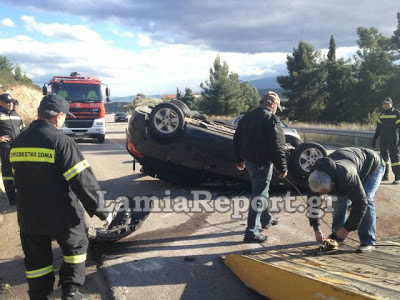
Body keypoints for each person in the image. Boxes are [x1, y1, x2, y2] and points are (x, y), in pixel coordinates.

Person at [10, 94, 113, 300]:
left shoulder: (17, 141)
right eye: (65, 116)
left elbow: (12, 177)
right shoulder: (62, 142)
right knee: (76, 248)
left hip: (29, 215)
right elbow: (83, 181)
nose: (65, 119)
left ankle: (39, 295)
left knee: (36, 260)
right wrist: (102, 211)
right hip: (61, 214)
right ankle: (71, 292)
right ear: (57, 117)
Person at [233, 91, 287, 243]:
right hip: (262, 164)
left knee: (262, 190)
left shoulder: (247, 117)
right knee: (259, 194)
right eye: (277, 106)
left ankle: (266, 218)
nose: (277, 109)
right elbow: (278, 146)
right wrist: (283, 167)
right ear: (272, 104)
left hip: (249, 162)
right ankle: (251, 232)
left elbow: (237, 139)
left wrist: (239, 160)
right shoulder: (271, 118)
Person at [308, 147, 385, 253]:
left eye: (325, 191)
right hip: (351, 162)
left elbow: (360, 204)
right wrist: (316, 229)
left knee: (366, 198)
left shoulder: (348, 177)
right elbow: (313, 204)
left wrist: (347, 228)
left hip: (373, 165)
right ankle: (337, 236)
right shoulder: (315, 177)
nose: (324, 195)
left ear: (332, 184)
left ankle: (367, 241)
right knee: (339, 200)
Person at [0, 93, 25, 205]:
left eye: (11, 102)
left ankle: (22, 195)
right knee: (7, 173)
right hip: (5, 148)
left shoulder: (16, 115)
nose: (10, 104)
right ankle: (12, 199)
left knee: (20, 171)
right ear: (1, 103)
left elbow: (23, 129)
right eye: (7, 102)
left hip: (18, 148)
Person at [372, 97, 400, 184]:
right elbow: (378, 128)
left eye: (387, 104)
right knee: (384, 158)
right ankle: (385, 175)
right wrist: (374, 139)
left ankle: (397, 177)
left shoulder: (397, 113)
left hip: (393, 139)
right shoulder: (381, 114)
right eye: (384, 104)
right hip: (383, 139)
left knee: (395, 158)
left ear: (391, 104)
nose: (386, 105)